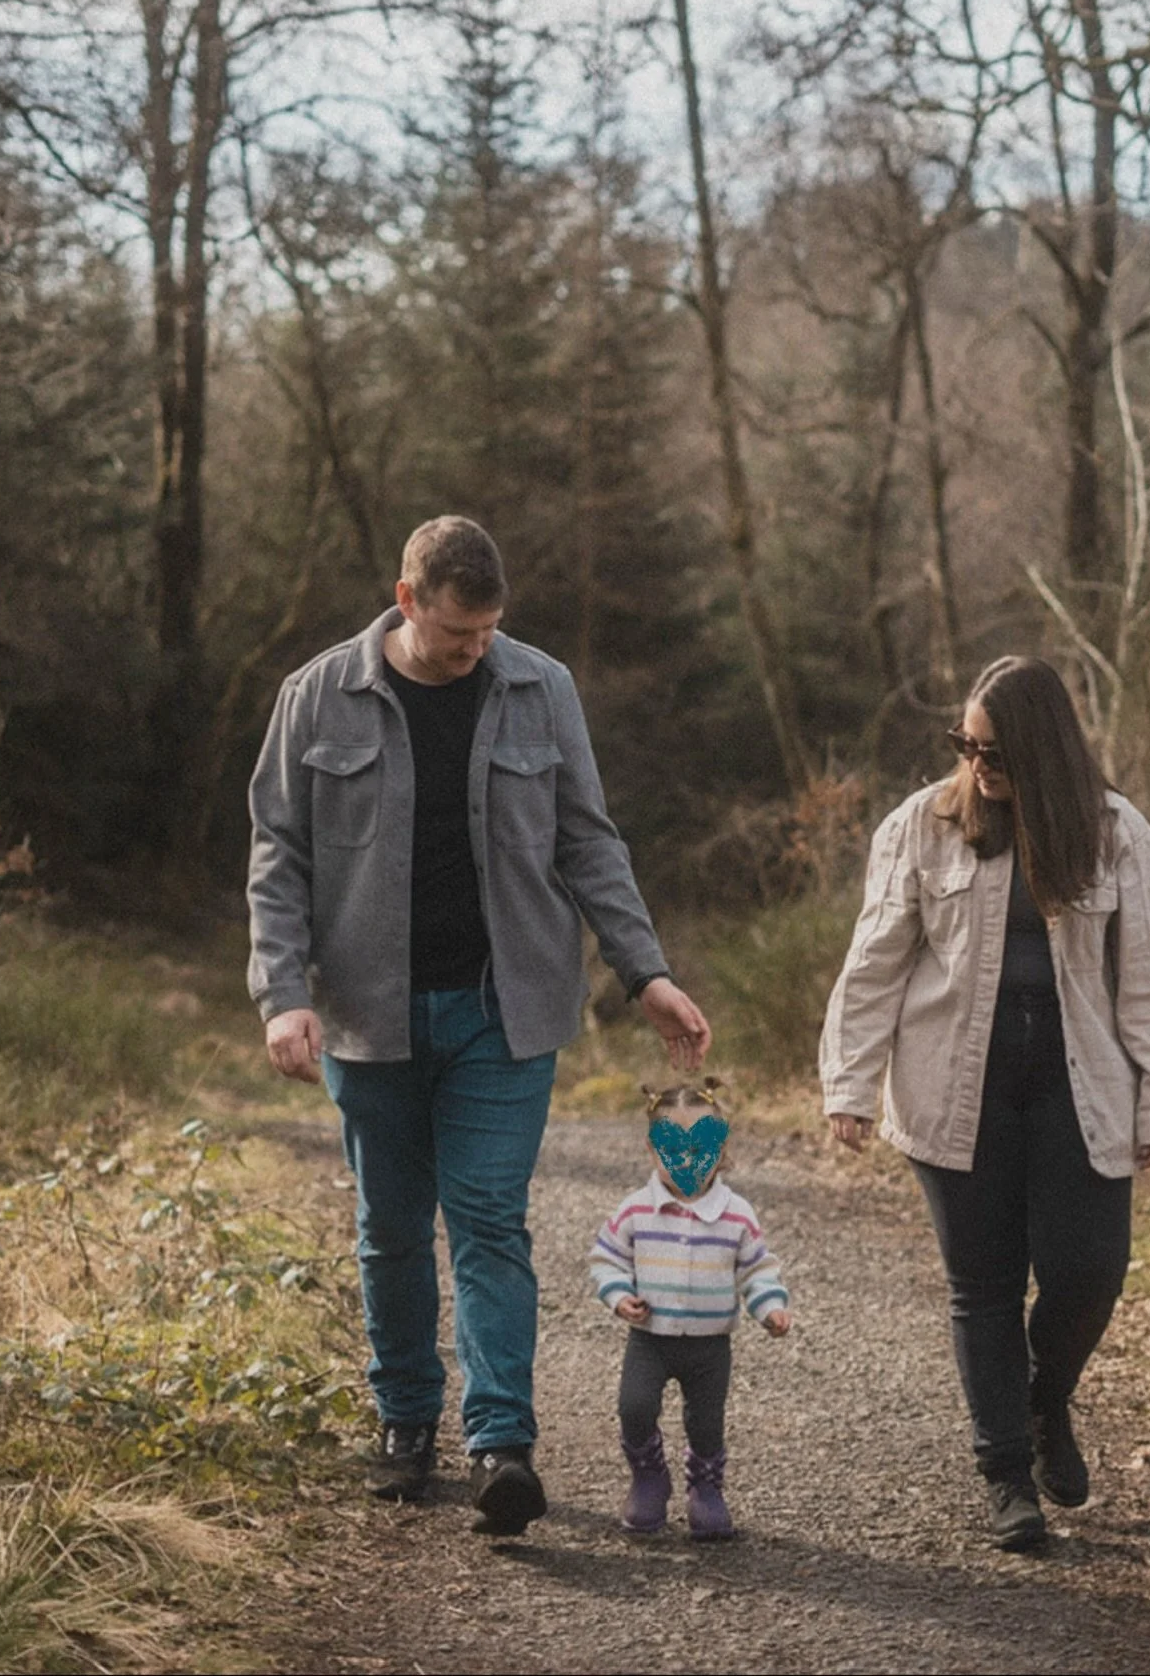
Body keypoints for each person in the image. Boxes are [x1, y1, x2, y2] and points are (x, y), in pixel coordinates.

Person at [246, 515, 711, 1536]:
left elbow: (590, 841)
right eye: (458, 633)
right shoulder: (317, 696)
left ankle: (502, 1439)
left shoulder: (539, 687)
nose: (476, 651)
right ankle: (407, 1421)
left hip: (507, 1012)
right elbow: (279, 857)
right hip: (369, 1017)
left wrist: (648, 974)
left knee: (491, 1221)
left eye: (490, 630)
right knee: (392, 1231)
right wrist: (282, 992)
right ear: (407, 602)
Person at [819, 656, 1150, 1552]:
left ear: (1039, 747)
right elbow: (874, 963)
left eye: (991, 749)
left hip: (1082, 1083)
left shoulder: (1115, 833)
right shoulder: (924, 824)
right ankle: (1004, 1476)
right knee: (982, 1286)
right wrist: (850, 1086)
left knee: (1088, 1272)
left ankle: (1043, 1402)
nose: (975, 762)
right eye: (964, 744)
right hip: (954, 1084)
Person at [589, 1079, 791, 1540]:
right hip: (650, 1339)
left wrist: (770, 1307)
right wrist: (620, 1296)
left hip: (710, 1346)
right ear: (652, 1149)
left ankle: (706, 1489)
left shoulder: (736, 1213)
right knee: (634, 1407)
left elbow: (757, 1269)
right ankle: (648, 1477)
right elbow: (607, 1257)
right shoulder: (636, 1209)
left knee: (706, 1422)